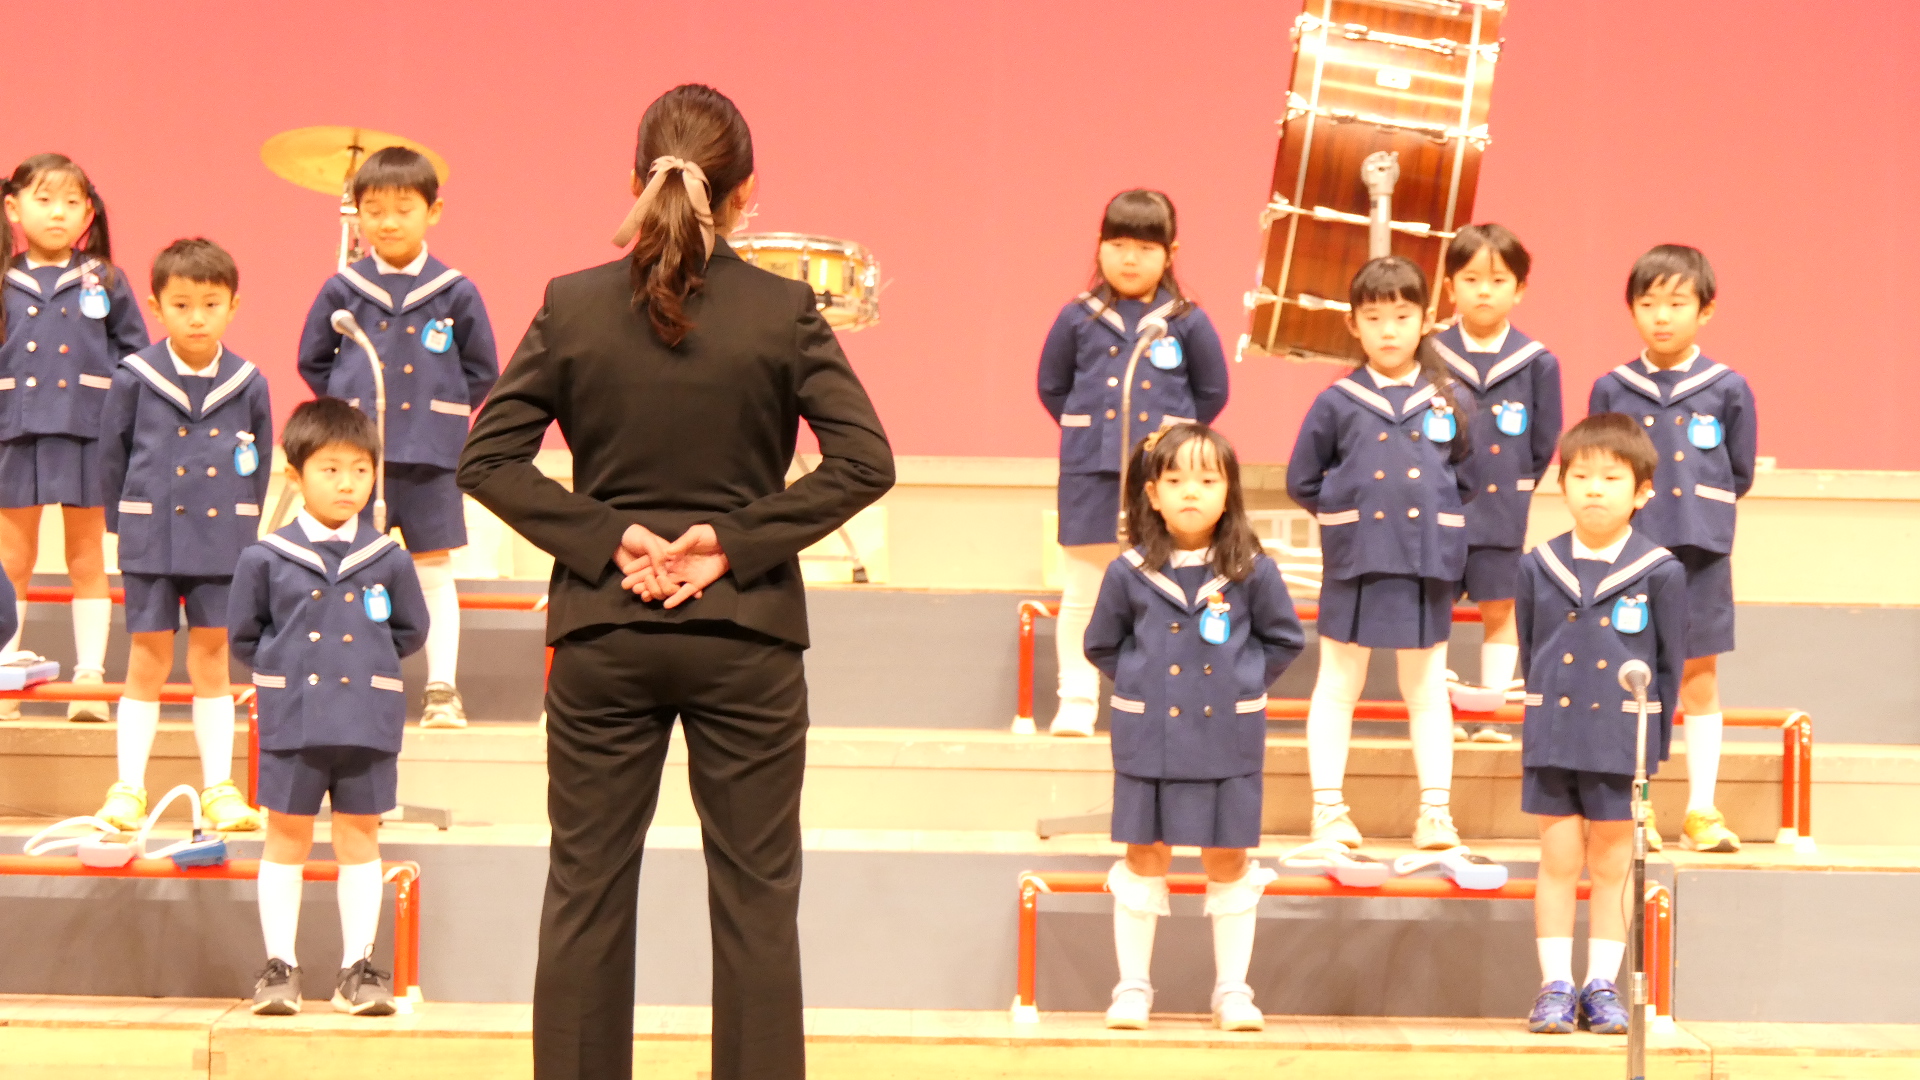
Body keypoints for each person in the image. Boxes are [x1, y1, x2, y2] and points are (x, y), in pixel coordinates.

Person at [457, 84, 893, 1080]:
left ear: (634, 184)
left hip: (604, 634)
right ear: (746, 194)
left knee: (585, 893)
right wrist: (731, 544)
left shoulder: (572, 303)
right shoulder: (784, 310)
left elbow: (487, 459)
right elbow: (867, 461)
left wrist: (608, 539)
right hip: (748, 638)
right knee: (756, 903)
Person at [1084, 423, 1303, 1032]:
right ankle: (1132, 988)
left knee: (1227, 859)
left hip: (1226, 741)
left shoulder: (1252, 570)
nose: (1191, 491)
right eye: (1175, 479)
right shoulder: (1127, 572)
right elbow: (1102, 644)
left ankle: (1232, 992)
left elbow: (1284, 639)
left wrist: (1238, 683)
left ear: (1229, 492)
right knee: (1144, 855)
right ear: (1152, 494)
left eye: (1207, 480)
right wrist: (1144, 683)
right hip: (1147, 740)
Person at [229, 398, 428, 1017]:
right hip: (293, 720)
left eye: (361, 470)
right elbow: (245, 636)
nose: (348, 484)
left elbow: (409, 631)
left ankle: (356, 972)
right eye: (331, 469)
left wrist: (360, 671)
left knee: (358, 840)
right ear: (295, 475)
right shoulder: (265, 556)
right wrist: (293, 672)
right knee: (286, 839)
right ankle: (279, 969)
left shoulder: (388, 558)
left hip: (367, 722)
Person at [297, 146, 497, 728]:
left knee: (433, 568)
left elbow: (482, 369)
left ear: (433, 212)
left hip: (431, 458)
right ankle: (353, 682)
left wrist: (439, 415)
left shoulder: (455, 291)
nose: (387, 222)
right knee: (354, 567)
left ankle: (441, 688)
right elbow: (314, 360)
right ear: (356, 214)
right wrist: (349, 417)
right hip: (358, 462)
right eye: (374, 210)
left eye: (403, 209)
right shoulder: (344, 288)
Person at [1286, 255, 1476, 851]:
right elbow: (1302, 479)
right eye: (1373, 318)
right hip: (1357, 560)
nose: (1388, 330)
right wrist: (1354, 515)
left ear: (1426, 320)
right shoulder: (1337, 401)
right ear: (1353, 324)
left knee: (1426, 689)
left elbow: (1466, 477)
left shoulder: (1448, 399)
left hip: (1425, 562)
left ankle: (1435, 814)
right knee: (1339, 684)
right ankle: (1328, 810)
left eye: (1401, 316)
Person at [1516, 413, 1685, 1034]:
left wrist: (1651, 751)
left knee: (1613, 865)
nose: (1594, 489)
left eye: (1611, 478)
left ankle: (1602, 986)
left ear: (1642, 492)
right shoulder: (1539, 565)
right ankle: (1555, 986)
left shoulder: (1660, 571)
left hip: (1621, 740)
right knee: (1558, 859)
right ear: (1561, 485)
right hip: (1554, 737)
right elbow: (1530, 648)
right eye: (1581, 476)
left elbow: (1668, 668)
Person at [1036, 190, 1229, 737]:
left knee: (1163, 588)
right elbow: (1052, 387)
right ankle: (1077, 700)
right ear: (1099, 246)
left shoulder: (1186, 321)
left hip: (1162, 482)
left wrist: (1171, 449)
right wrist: (1093, 434)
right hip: (1091, 476)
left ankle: (1157, 699)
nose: (1129, 259)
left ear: (1170, 254)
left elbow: (1212, 392)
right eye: (1118, 244)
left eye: (1145, 248)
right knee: (1083, 593)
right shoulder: (1077, 316)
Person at [95, 239, 270, 832]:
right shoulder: (135, 377)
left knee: (213, 661)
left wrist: (243, 526)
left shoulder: (249, 383)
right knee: (146, 660)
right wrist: (125, 529)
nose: (197, 318)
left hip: (223, 544)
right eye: (182, 305)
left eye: (211, 304)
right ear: (156, 307)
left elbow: (257, 467)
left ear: (233, 306)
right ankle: (127, 790)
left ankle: (218, 789)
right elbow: (112, 459)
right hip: (151, 541)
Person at [1588, 244, 1754, 853]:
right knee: (1633, 679)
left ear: (1705, 310)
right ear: (1631, 308)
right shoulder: (1613, 387)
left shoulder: (1727, 388)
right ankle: (1636, 805)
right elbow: (1597, 465)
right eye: (1648, 303)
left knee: (1698, 677)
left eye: (1677, 303)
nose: (1662, 316)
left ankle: (1702, 811)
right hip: (1628, 557)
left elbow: (1738, 472)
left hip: (1701, 554)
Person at [0, 154, 146, 720]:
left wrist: (122, 420)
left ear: (88, 211)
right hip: (14, 429)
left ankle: (89, 679)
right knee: (13, 558)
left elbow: (134, 356)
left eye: (70, 202)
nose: (57, 213)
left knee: (86, 556)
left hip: (87, 431)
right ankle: (5, 673)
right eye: (43, 200)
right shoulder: (4, 277)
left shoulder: (104, 278)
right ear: (13, 208)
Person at [1431, 224, 1562, 742]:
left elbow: (1542, 443)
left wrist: (1513, 485)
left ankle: (1491, 715)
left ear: (1520, 289)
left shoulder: (1537, 362)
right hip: (1437, 507)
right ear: (1450, 287)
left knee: (1500, 607)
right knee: (1434, 605)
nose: (1484, 291)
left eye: (1498, 280)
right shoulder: (1429, 354)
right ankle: (1435, 712)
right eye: (1471, 279)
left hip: (1502, 508)